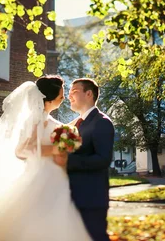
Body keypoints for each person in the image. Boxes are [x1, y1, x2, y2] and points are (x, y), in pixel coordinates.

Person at [0, 75, 91, 241]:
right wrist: (54, 149)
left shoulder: (54, 123)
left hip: (57, 178)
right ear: (50, 98)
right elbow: (21, 150)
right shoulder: (35, 120)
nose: (63, 97)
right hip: (38, 176)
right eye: (61, 94)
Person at [54, 78, 115, 241]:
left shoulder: (101, 122)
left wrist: (68, 162)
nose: (69, 97)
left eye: (74, 92)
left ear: (89, 94)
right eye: (68, 93)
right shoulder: (77, 124)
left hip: (91, 199)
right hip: (73, 196)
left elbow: (103, 159)